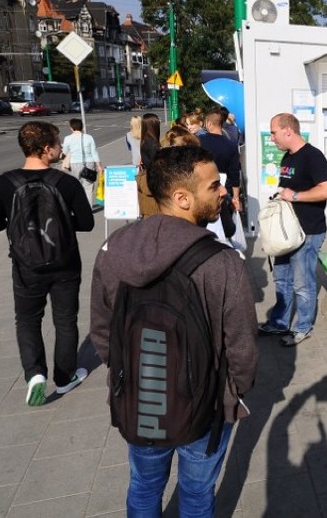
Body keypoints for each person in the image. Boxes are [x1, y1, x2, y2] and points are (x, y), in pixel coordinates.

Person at [89, 145, 259, 516]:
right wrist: (233, 392)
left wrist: (125, 375)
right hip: (205, 406)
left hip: (139, 400)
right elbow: (242, 346)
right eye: (214, 185)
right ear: (182, 198)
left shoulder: (112, 249)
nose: (223, 192)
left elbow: (102, 331)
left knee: (144, 486)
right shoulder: (222, 262)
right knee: (197, 494)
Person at [0, 121, 94, 406]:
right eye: (57, 143)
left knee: (28, 320)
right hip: (65, 262)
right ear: (46, 149)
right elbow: (87, 223)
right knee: (65, 321)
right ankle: (65, 378)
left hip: (26, 266)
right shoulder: (65, 182)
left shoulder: (3, 184)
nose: (60, 148)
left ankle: (35, 374)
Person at [259, 113, 327, 346]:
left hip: (308, 232)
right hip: (287, 233)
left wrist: (296, 196)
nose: (272, 138)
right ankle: (279, 323)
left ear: (288, 131)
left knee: (303, 283)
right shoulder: (287, 158)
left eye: (274, 132)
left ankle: (303, 327)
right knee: (281, 279)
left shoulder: (313, 156)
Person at [199, 107, 243, 238]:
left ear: (209, 123)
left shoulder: (200, 142)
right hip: (225, 191)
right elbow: (235, 173)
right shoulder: (231, 145)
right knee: (226, 229)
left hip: (203, 189)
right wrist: (236, 198)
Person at [62, 118, 103, 208]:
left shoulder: (68, 138)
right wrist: (99, 165)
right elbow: (94, 152)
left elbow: (64, 152)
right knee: (88, 187)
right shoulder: (89, 137)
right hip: (89, 164)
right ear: (82, 127)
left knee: (76, 187)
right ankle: (88, 208)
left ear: (72, 128)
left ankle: (78, 208)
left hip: (74, 164)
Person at [137, 113, 162, 217]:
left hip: (147, 179)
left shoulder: (145, 140)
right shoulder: (151, 143)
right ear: (154, 125)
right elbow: (157, 163)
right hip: (153, 182)